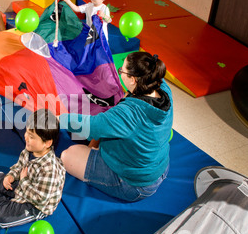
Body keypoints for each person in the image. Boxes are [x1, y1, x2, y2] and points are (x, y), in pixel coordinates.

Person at [59, 52, 173, 202]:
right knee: (116, 114)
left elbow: (91, 126)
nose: (120, 73)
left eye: (122, 71)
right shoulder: (163, 88)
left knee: (67, 156)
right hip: (159, 169)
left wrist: (57, 118)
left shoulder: (128, 114)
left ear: (133, 79)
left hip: (136, 184)